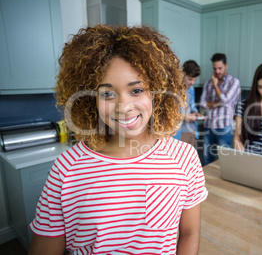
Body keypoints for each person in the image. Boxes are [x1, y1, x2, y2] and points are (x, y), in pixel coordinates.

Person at [28, 25, 208, 255]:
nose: (123, 107)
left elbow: (189, 233)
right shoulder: (67, 169)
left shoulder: (185, 158)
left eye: (136, 90)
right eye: (108, 94)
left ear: (157, 93)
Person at [200, 53, 241, 165]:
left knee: (224, 162)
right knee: (207, 160)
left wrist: (215, 86)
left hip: (224, 128)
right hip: (208, 127)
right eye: (214, 68)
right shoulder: (208, 83)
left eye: (220, 68)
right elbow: (203, 104)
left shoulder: (234, 82)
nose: (217, 71)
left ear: (226, 65)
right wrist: (219, 103)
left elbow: (225, 101)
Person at [173, 60, 204, 147]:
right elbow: (168, 113)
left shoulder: (191, 89)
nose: (192, 83)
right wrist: (184, 116)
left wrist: (195, 112)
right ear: (182, 74)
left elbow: (192, 104)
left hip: (191, 129)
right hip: (178, 133)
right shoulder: (173, 90)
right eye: (190, 79)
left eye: (195, 80)